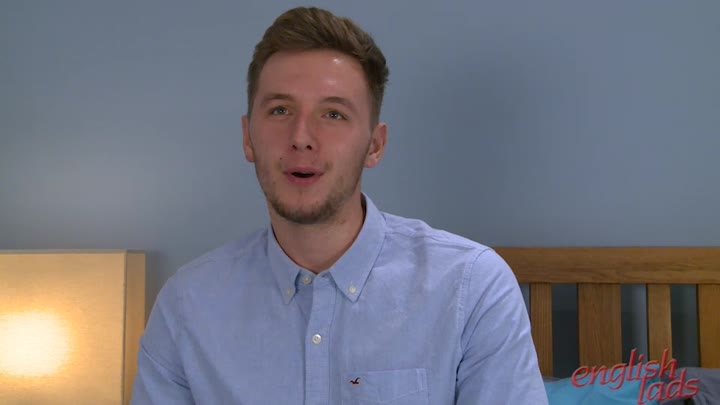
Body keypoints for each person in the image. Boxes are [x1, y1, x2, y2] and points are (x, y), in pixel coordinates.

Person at [131, 6, 548, 404]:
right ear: (247, 137)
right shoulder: (186, 308)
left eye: (333, 114)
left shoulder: (472, 289)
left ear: (375, 145)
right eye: (280, 110)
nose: (301, 137)